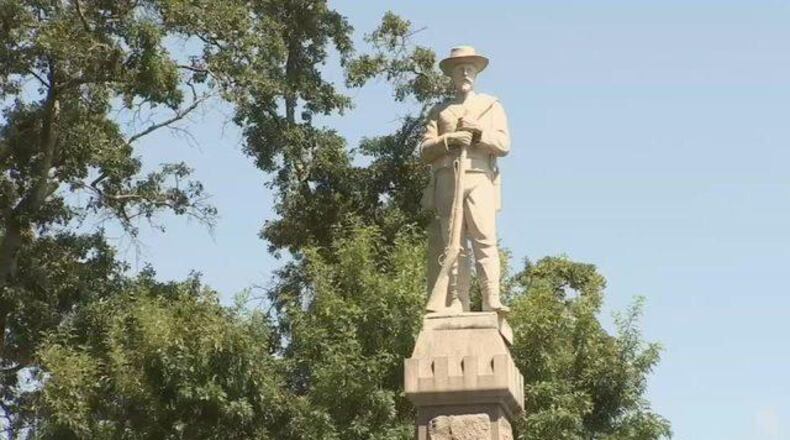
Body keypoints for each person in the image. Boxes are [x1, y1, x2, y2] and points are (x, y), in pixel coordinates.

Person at [420, 46, 511, 313]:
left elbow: (504, 144)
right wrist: (449, 140)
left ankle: (490, 298)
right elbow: (425, 149)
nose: (465, 71)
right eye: (459, 68)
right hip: (448, 179)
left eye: (470, 67)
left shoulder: (490, 106)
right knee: (453, 245)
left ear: (476, 72)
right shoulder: (440, 111)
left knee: (485, 239)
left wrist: (478, 132)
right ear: (451, 74)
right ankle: (456, 300)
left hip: (479, 177)